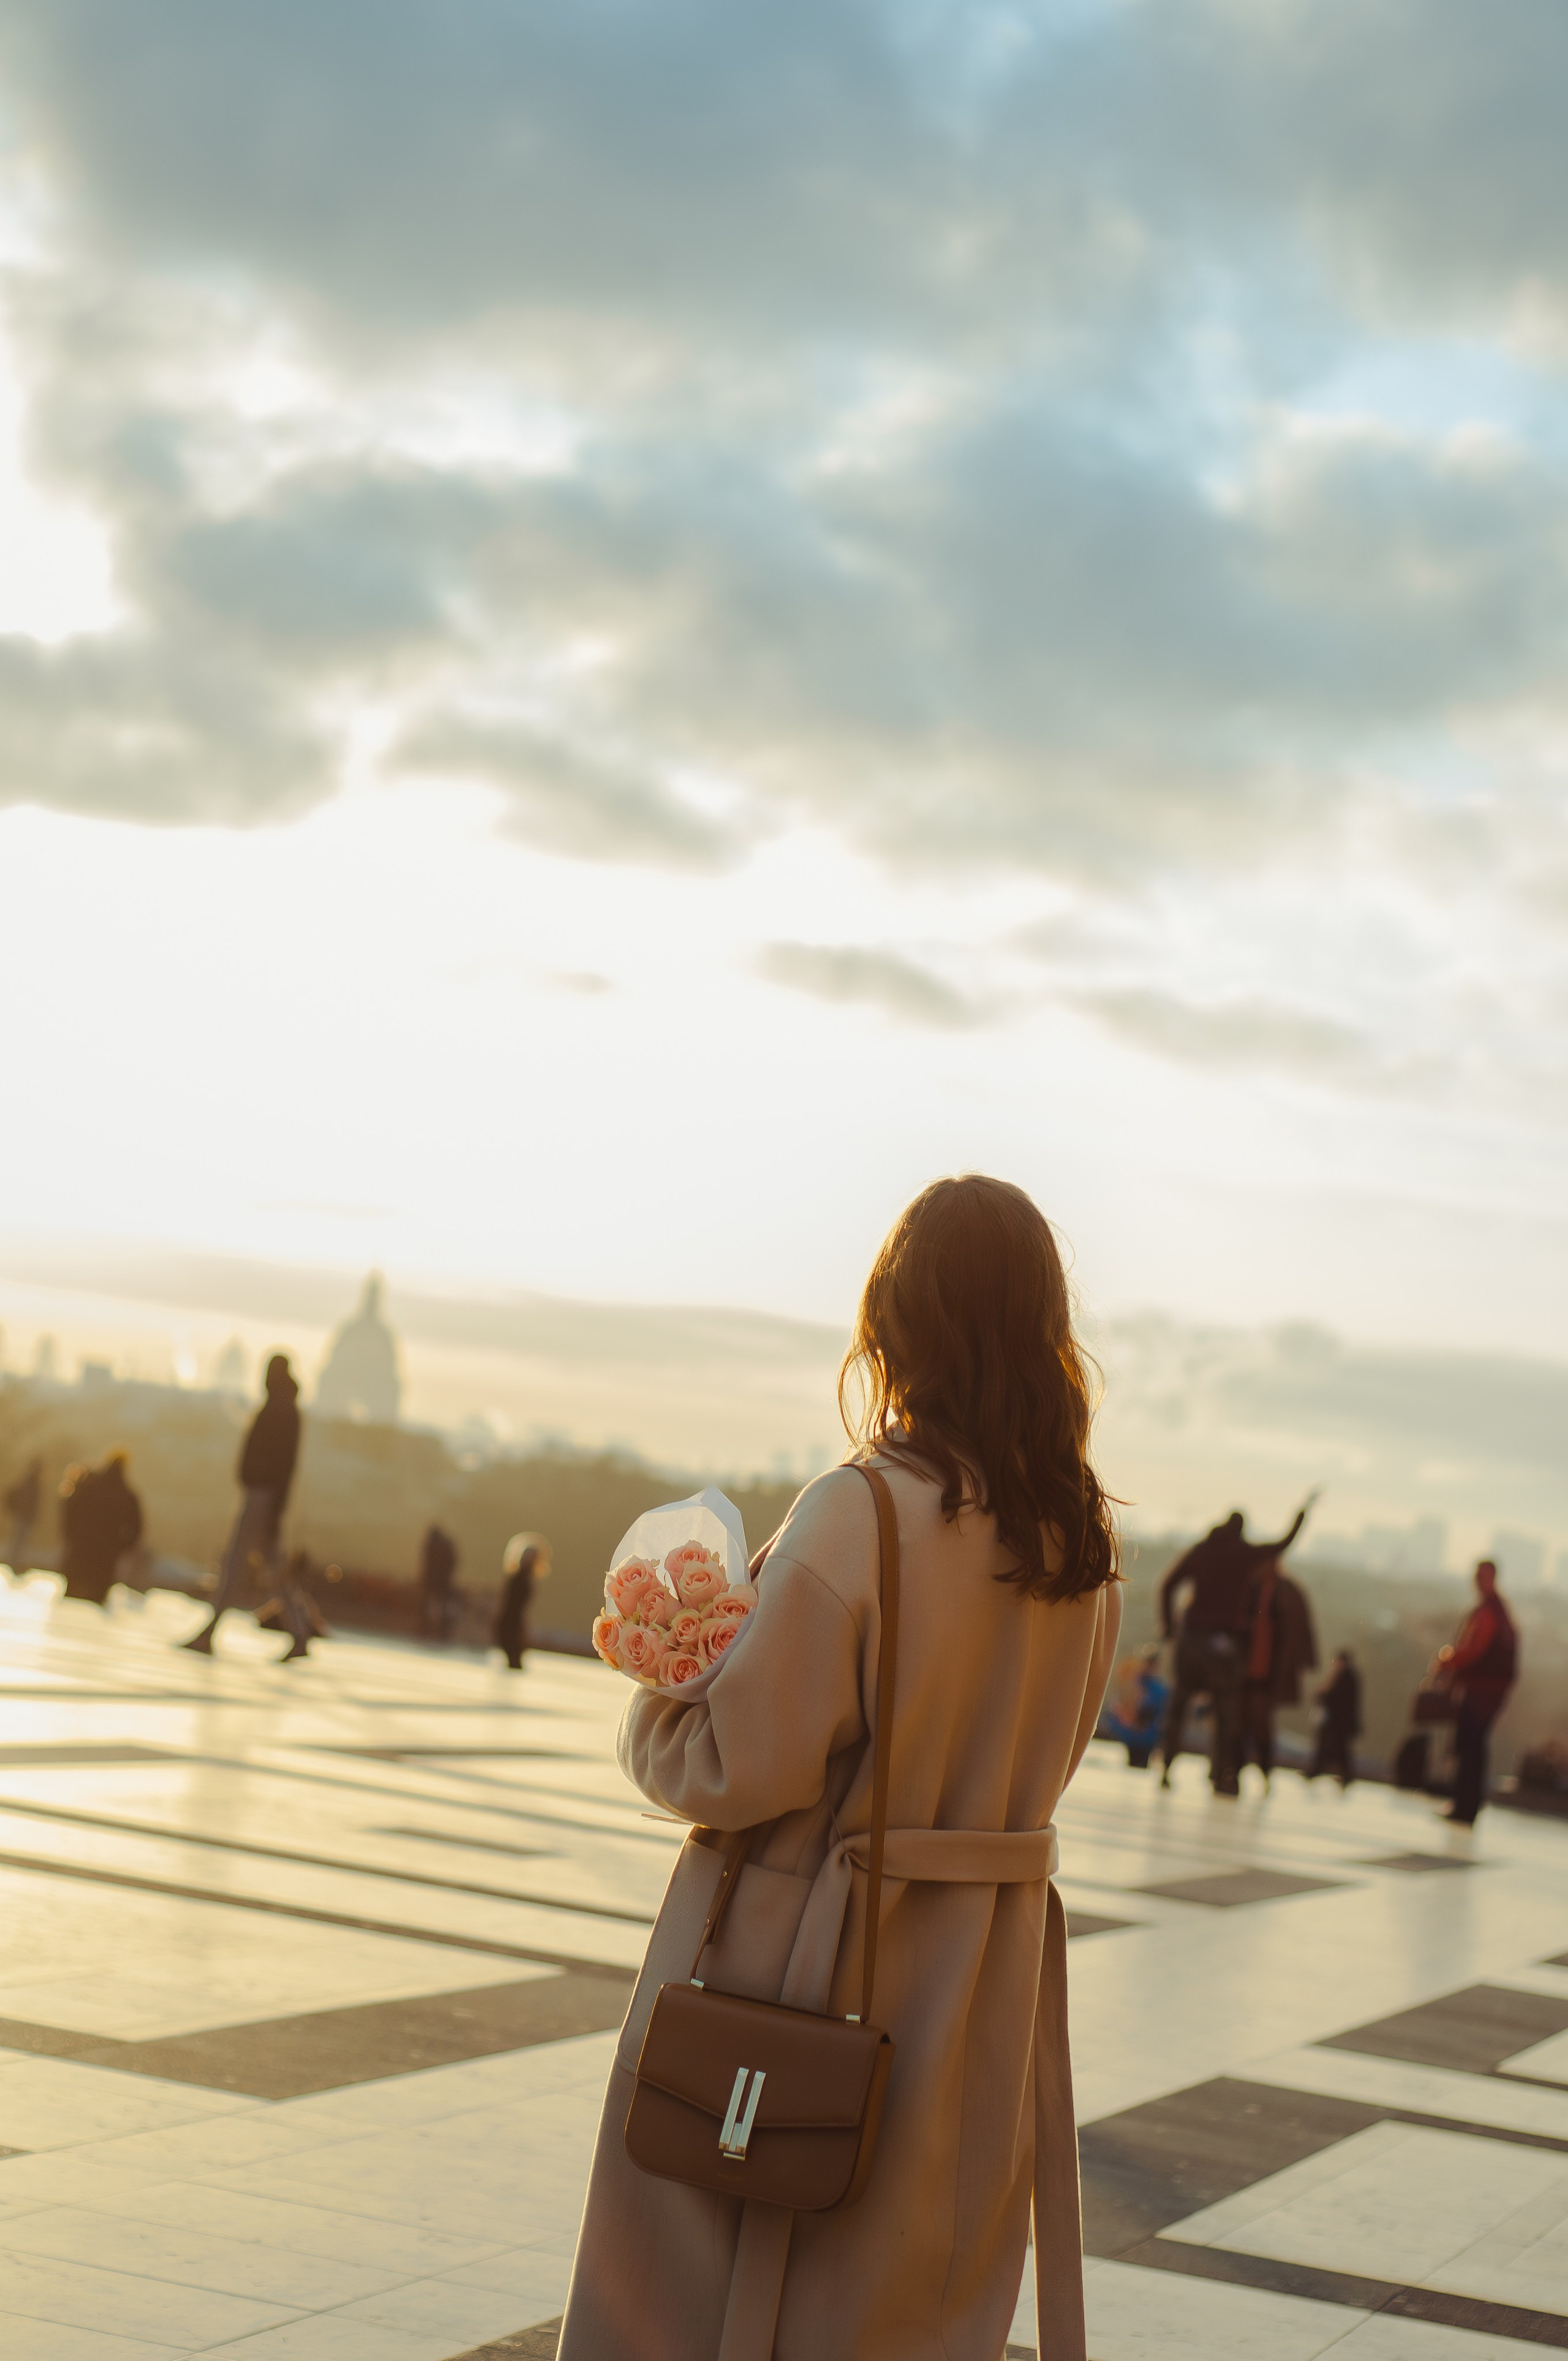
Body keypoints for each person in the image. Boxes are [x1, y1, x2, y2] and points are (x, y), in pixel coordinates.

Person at [557, 1174, 1121, 2361]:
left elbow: (740, 1766)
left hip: (808, 1967)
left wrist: (663, 1694)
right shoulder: (1077, 1551)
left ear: (893, 1319)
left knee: (712, 2287)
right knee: (900, 2302)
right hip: (979, 1980)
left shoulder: (859, 1512)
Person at [1157, 1494, 1317, 1794]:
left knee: (1179, 1707)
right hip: (1226, 1645)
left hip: (1192, 1640)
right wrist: (1301, 1516)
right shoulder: (1245, 1555)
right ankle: (1221, 1774)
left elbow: (1167, 1585)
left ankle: (1166, 1767)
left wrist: (1168, 1627)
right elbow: (1282, 1544)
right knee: (1226, 1712)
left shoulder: (1202, 1551)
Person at [184, 1354, 301, 1654]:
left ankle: (210, 1631)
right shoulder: (284, 1408)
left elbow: (281, 1466)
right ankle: (299, 1633)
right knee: (272, 1569)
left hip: (262, 1497)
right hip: (265, 1497)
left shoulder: (280, 1410)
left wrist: (272, 1506)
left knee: (236, 1563)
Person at [1439, 1559, 1517, 1826]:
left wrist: (1447, 1662)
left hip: (1481, 1690)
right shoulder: (1498, 1609)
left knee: (1471, 1744)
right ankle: (1466, 1804)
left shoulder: (1489, 1611)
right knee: (1475, 1745)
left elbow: (1474, 1649)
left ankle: (1465, 1806)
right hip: (1489, 1689)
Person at [1241, 1550, 1319, 1788]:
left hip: (1269, 1673)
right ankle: (1230, 1770)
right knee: (1239, 1722)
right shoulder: (1251, 1588)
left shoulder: (1287, 1591)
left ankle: (1263, 1770)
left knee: (1261, 1724)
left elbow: (1301, 1629)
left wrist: (1305, 1661)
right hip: (1245, 1671)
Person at [58, 1450, 143, 1603]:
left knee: (72, 1597)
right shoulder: (128, 1494)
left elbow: (69, 1508)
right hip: (105, 1558)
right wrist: (120, 1547)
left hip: (80, 1549)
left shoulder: (88, 1484)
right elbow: (137, 1529)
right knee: (95, 1599)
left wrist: (71, 1535)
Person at [1099, 1642, 1169, 1768]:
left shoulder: (1157, 1689)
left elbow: (1157, 1715)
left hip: (1145, 1737)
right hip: (1134, 1735)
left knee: (1139, 1764)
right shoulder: (1134, 1683)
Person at [493, 1532, 549, 1670]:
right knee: (515, 1661)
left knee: (515, 1662)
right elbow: (508, 1604)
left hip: (515, 1624)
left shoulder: (527, 1580)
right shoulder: (517, 1579)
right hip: (508, 1624)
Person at [1310, 1649, 1362, 1787]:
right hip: (1340, 1722)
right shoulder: (1348, 1676)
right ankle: (1341, 1774)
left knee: (1336, 1749)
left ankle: (1319, 1771)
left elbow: (1336, 1698)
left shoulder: (1345, 1676)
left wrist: (1322, 1695)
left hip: (1338, 1722)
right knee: (1340, 1750)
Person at [417, 1522, 460, 1641]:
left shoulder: (435, 1545)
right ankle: (436, 1630)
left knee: (431, 1604)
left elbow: (427, 1563)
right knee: (438, 1605)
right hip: (440, 1581)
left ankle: (429, 1629)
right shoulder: (446, 1545)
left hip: (436, 1581)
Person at [4, 1456, 42, 1572]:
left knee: (21, 1540)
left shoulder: (31, 1481)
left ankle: (14, 1562)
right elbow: (30, 1500)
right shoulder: (30, 1481)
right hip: (24, 1517)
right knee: (19, 1540)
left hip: (25, 1516)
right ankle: (14, 1563)